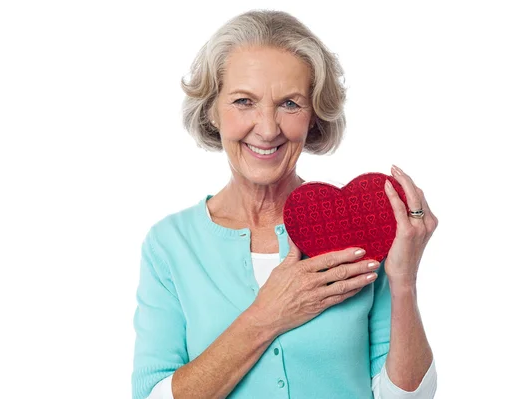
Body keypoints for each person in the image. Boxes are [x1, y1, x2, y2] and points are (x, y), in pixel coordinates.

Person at [131, 9, 438, 399]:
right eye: (244, 101)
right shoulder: (170, 245)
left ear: (313, 117)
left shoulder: (356, 229)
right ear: (212, 109)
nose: (267, 128)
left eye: (290, 104)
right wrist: (268, 315)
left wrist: (404, 281)